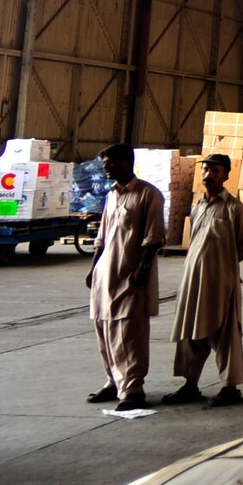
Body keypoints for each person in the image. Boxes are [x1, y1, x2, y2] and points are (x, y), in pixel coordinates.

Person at [164, 153, 243, 408]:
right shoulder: (198, 207)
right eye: (206, 170)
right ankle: (190, 384)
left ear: (225, 175)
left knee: (225, 335)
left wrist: (221, 269)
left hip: (221, 284)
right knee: (190, 332)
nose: (209, 174)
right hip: (193, 282)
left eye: (215, 170)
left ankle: (230, 387)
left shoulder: (236, 209)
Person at [84, 142, 166, 412]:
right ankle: (112, 381)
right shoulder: (111, 196)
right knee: (104, 327)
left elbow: (153, 238)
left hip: (130, 274)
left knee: (129, 332)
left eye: (111, 162)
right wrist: (93, 268)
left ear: (126, 162)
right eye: (105, 163)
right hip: (105, 274)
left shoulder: (148, 195)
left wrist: (142, 270)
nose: (106, 168)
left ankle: (133, 389)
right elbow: (102, 237)